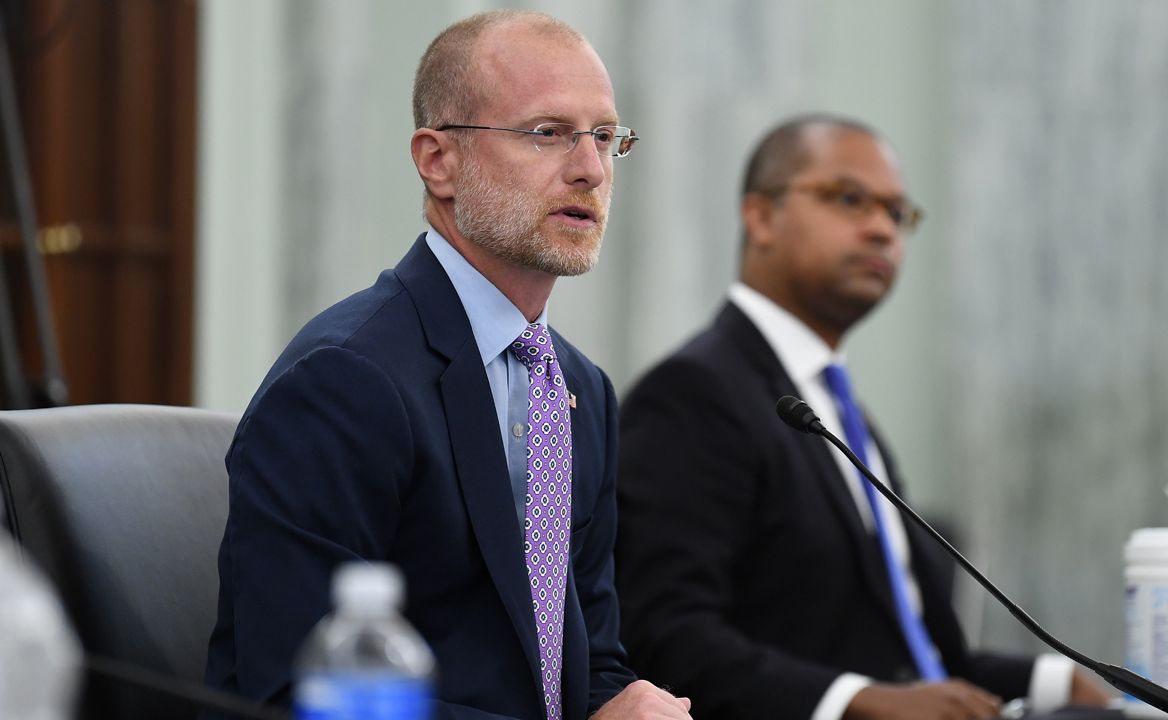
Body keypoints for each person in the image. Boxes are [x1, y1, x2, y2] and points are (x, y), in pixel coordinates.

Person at [203, 11, 692, 720]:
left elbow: (577, 657)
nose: (590, 168)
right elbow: (303, 696)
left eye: (606, 137)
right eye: (547, 132)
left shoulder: (577, 390)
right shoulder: (344, 382)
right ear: (439, 161)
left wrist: (627, 701)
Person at [614, 115, 1111, 720]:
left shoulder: (836, 412)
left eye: (897, 213)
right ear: (761, 217)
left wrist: (1056, 681)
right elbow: (666, 636)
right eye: (849, 199)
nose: (880, 228)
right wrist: (853, 701)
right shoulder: (694, 393)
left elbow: (922, 664)